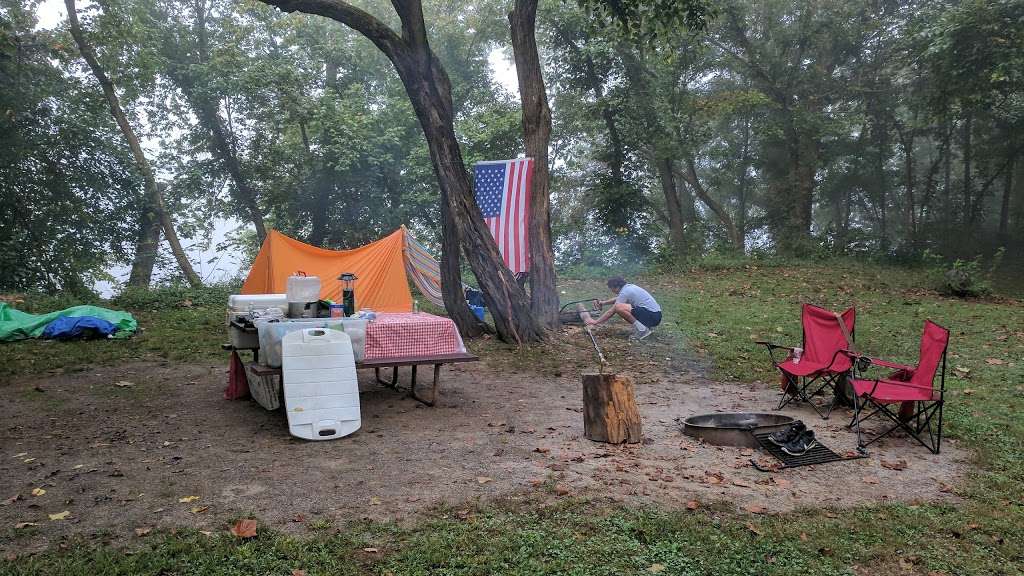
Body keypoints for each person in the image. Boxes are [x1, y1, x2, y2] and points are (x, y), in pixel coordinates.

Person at [585, 277, 662, 340]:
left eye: (611, 288)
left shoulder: (626, 291)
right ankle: (645, 327)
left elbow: (612, 311)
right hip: (655, 315)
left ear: (616, 287)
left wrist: (596, 322)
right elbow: (619, 298)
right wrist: (603, 303)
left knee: (618, 308)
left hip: (652, 316)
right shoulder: (628, 288)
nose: (612, 291)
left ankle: (642, 330)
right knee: (620, 306)